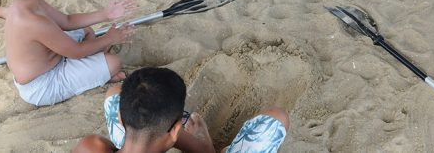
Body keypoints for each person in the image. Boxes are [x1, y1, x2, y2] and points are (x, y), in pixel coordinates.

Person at [0, 0, 134, 107]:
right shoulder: (33, 22)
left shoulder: (25, 1)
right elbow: (76, 52)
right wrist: (109, 38)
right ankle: (98, 72)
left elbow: (66, 21)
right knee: (114, 63)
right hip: (43, 85)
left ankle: (95, 69)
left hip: (52, 61)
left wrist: (106, 14)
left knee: (87, 30)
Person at [73, 67, 290, 153]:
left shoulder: (90, 146)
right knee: (277, 118)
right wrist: (204, 144)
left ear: (120, 116)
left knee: (115, 92)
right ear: (177, 130)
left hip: (140, 139)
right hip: (169, 133)